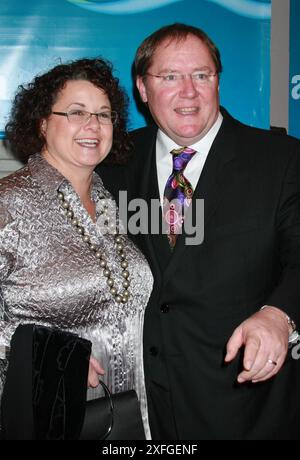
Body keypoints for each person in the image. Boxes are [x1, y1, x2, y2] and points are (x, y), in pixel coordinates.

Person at [98, 23, 300, 440]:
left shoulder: (280, 160)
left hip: (247, 408)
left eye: (202, 75)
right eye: (170, 77)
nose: (188, 92)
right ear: (142, 87)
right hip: (143, 411)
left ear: (217, 81)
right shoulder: (111, 164)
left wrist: (278, 316)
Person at [0, 58, 153, 439]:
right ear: (41, 123)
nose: (93, 125)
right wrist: (53, 357)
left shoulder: (112, 200)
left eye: (104, 114)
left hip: (129, 416)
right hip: (45, 416)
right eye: (76, 112)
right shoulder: (8, 204)